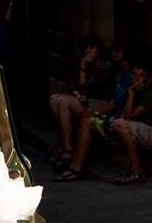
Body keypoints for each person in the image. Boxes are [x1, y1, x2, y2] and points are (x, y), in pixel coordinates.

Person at [55, 58, 152, 184]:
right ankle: (76, 167)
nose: (136, 79)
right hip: (140, 127)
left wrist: (131, 93)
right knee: (87, 122)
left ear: (149, 79)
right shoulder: (139, 90)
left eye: (141, 76)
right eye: (134, 75)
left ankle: (137, 172)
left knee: (120, 124)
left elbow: (128, 117)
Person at [47, 35, 114, 171]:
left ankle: (68, 149)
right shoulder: (88, 65)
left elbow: (94, 89)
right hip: (86, 101)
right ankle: (65, 141)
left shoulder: (105, 67)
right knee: (54, 99)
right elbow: (76, 87)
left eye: (92, 48)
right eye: (86, 48)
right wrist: (78, 92)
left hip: (100, 103)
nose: (88, 52)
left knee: (64, 102)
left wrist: (83, 70)